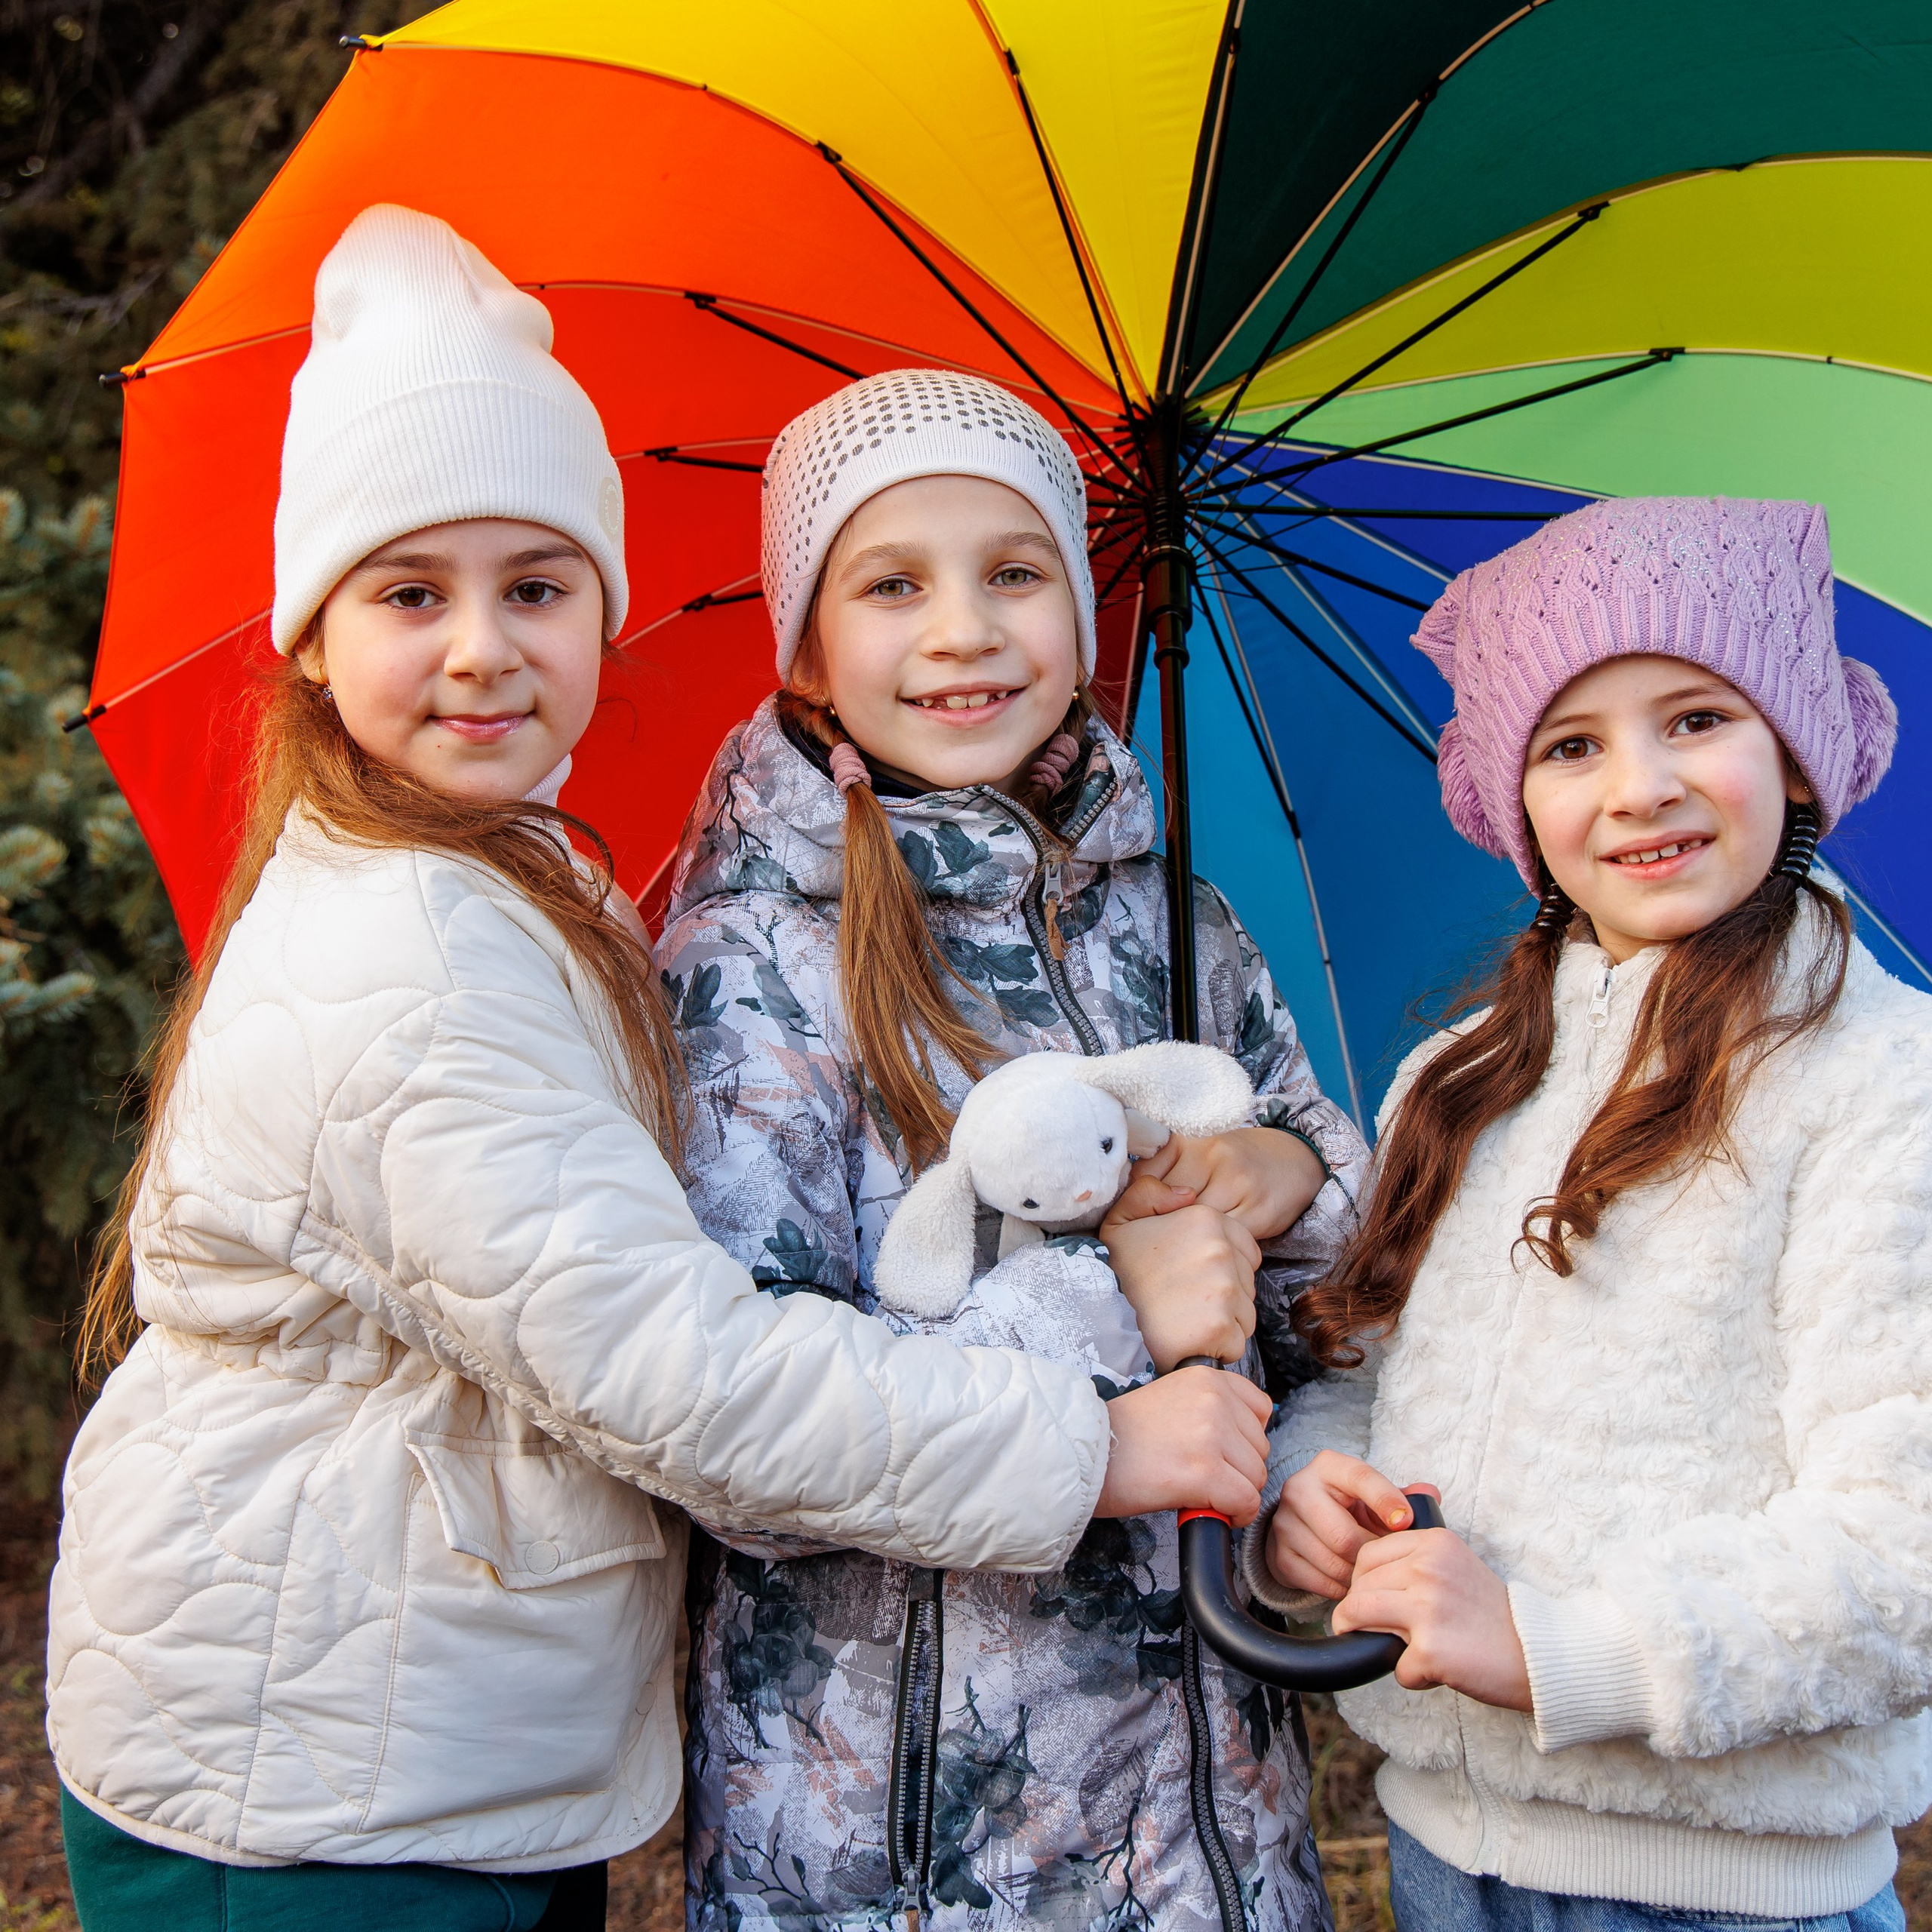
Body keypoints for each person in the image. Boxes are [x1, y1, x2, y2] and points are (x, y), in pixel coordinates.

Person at [45, 212, 1266, 1932]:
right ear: (311, 634)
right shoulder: (416, 951)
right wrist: (1095, 1432)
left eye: (536, 587)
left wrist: (1259, 1178)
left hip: (427, 1729)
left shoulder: (506, 879)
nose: (482, 646)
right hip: (320, 1784)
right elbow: (677, 1375)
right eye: (410, 592)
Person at [657, 367, 1371, 1932]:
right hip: (912, 1862)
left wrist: (1279, 1184)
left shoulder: (1183, 926)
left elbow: (1344, 1246)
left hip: (1213, 1826)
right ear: (811, 646)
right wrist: (1118, 1305)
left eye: (1015, 572)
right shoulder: (751, 966)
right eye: (892, 583)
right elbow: (732, 1425)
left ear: (1084, 618)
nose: (963, 629)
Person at [1251, 497, 1928, 1930]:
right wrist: (1312, 1484)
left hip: (1727, 1896)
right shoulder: (1462, 1076)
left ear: (1797, 755)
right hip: (1447, 1857)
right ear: (1514, 805)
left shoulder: (1884, 1082)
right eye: (1573, 745)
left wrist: (1561, 1649)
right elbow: (1366, 1380)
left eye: (1695, 718)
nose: (1639, 788)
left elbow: (1905, 1548)